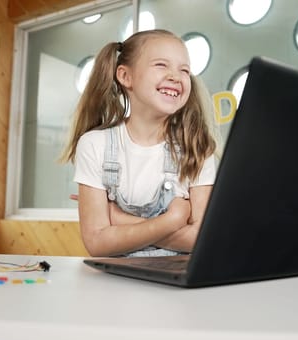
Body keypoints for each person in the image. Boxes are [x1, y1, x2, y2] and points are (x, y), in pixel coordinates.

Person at [61, 29, 220, 258]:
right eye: (161, 65)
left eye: (184, 70)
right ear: (125, 76)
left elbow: (203, 239)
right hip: (117, 285)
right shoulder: (95, 145)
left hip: (176, 287)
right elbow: (96, 243)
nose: (176, 76)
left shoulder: (196, 148)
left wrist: (119, 220)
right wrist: (172, 220)